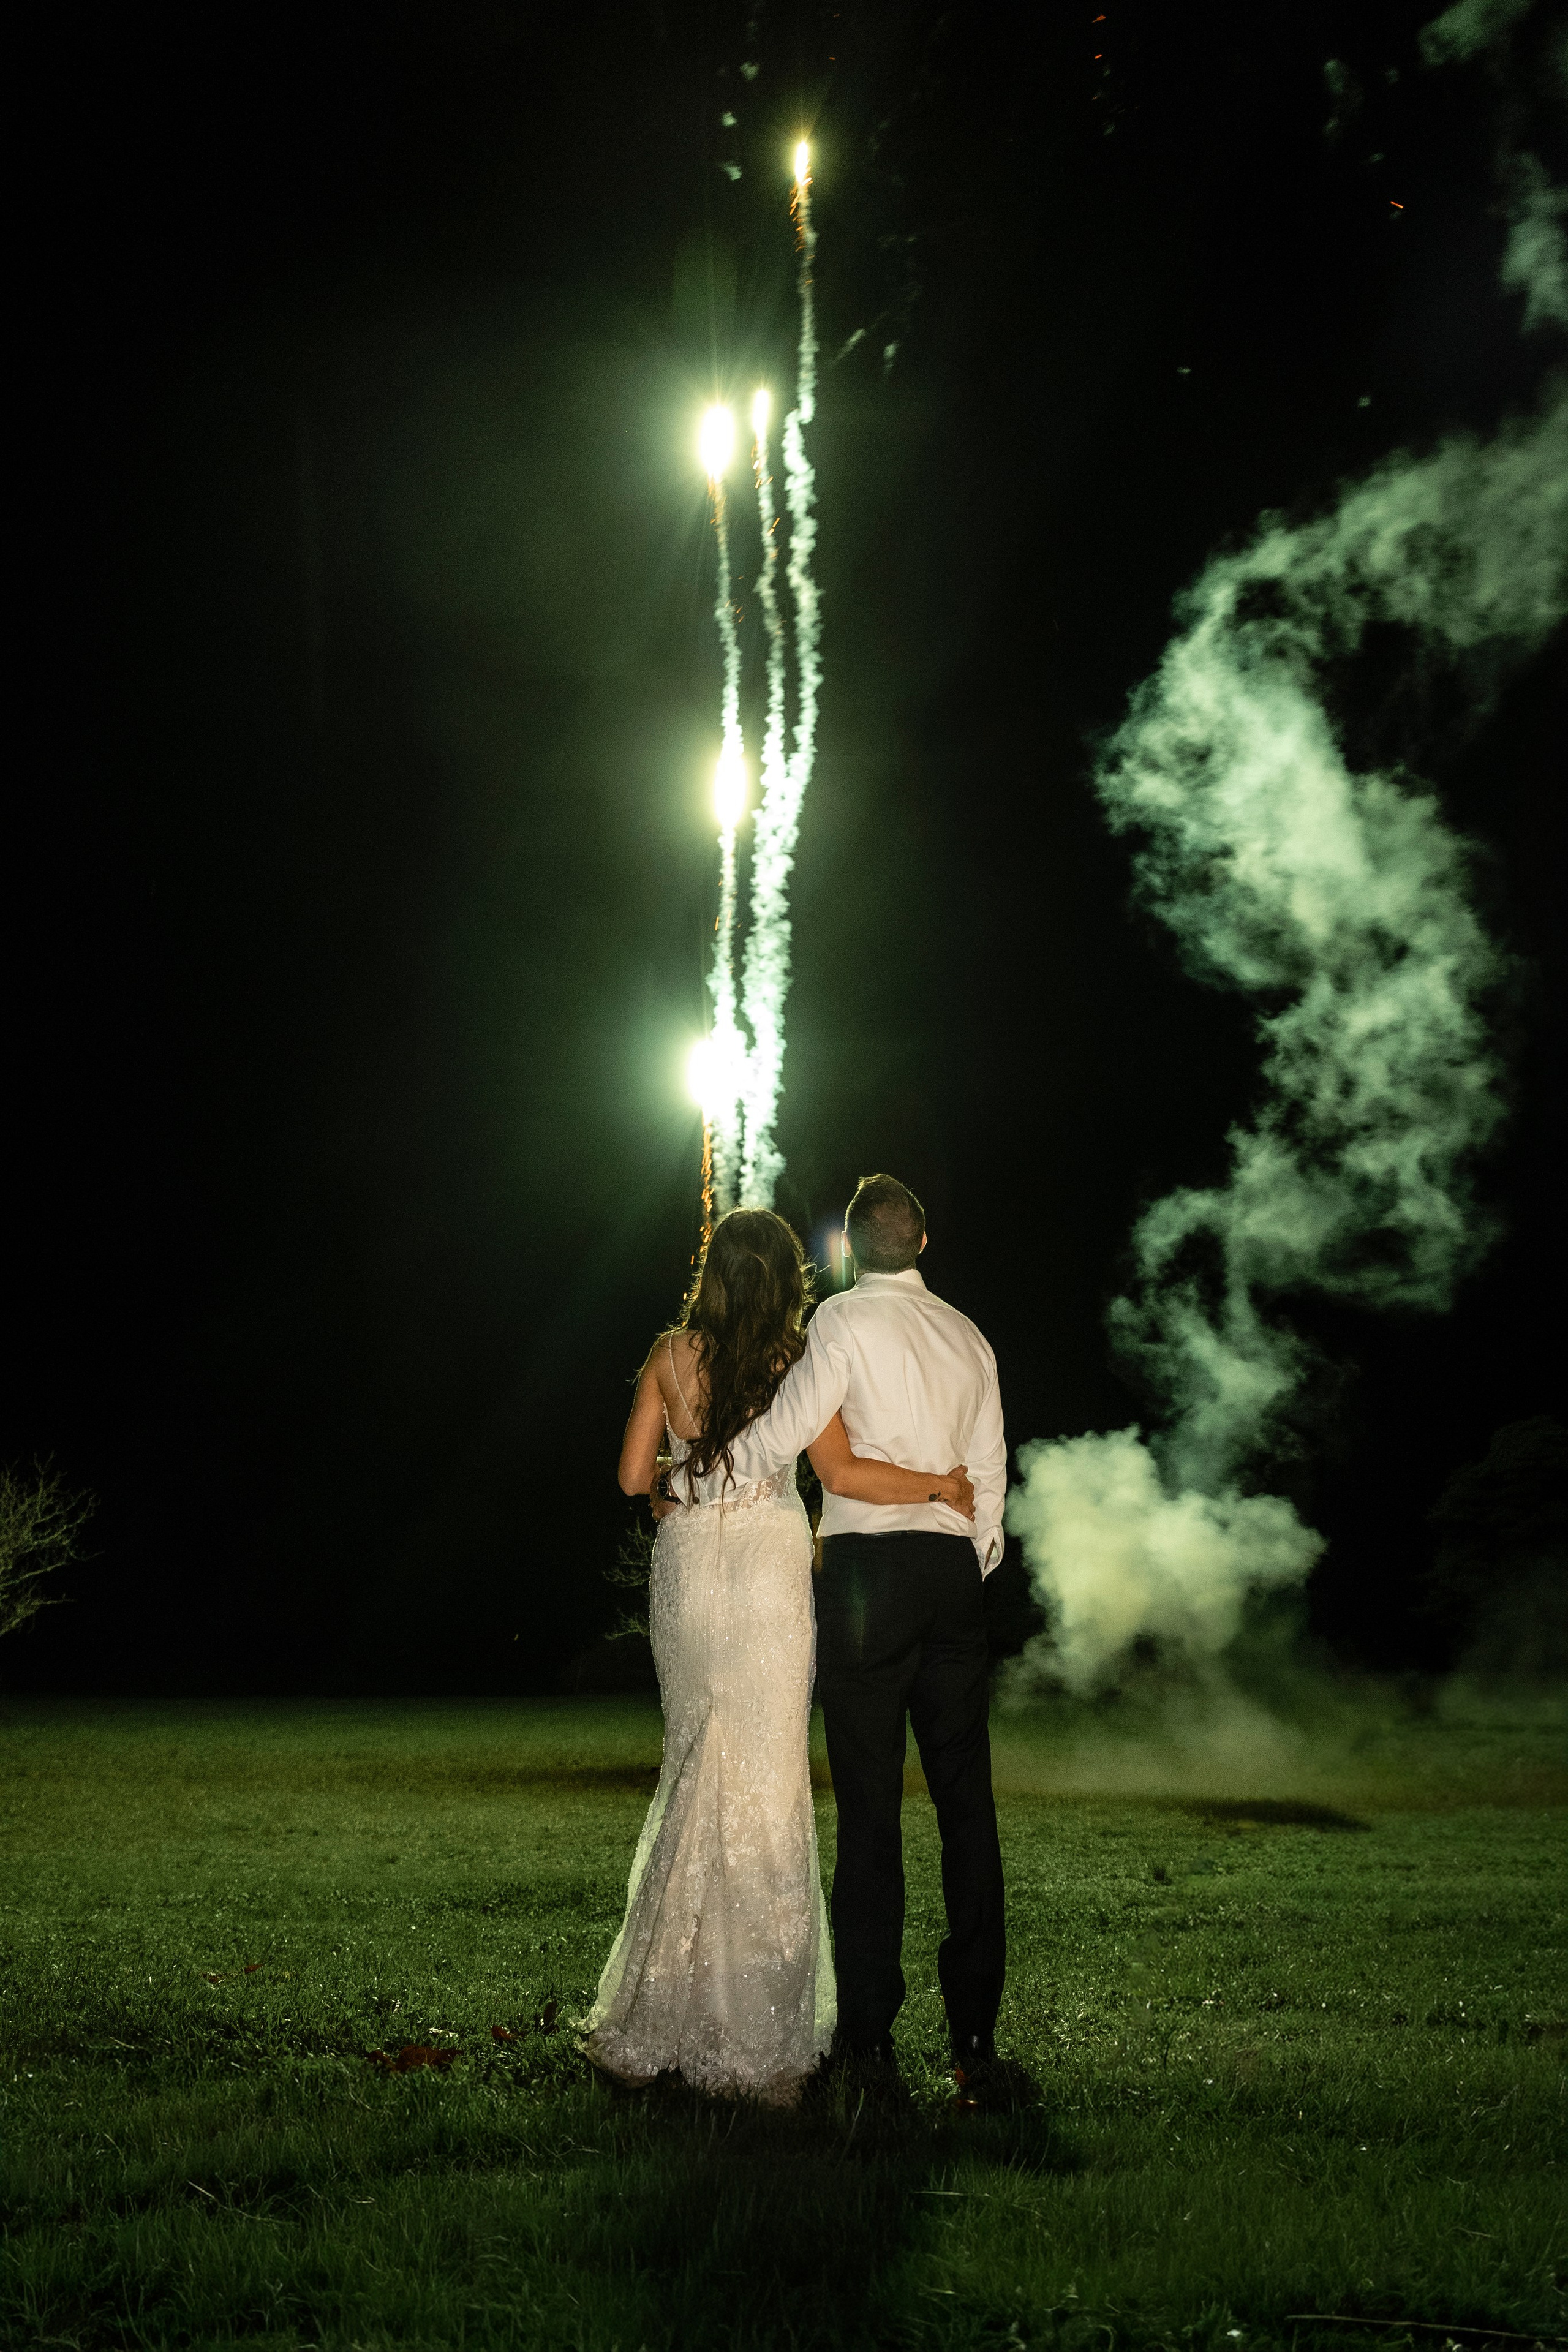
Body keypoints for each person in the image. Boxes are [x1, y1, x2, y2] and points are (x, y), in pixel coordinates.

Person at [580, 1205, 975, 2105]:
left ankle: (660, 2016)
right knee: (761, 1776)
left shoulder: (671, 1354)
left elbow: (633, 1478)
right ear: (790, 1278)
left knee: (694, 1763)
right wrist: (940, 1486)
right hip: (766, 1570)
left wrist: (680, 1487)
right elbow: (838, 1471)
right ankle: (756, 2033)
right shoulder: (800, 1359)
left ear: (711, 1273)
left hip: (689, 1572)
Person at [729, 1173, 1008, 2097]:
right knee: (968, 1804)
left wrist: (719, 1468)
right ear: (923, 1243)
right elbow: (993, 1473)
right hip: (952, 1576)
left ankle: (869, 2036)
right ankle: (974, 2035)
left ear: (850, 1250)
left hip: (869, 1583)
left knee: (871, 1809)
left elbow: (791, 1433)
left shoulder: (842, 1324)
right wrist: (973, 1555)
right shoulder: (970, 1336)